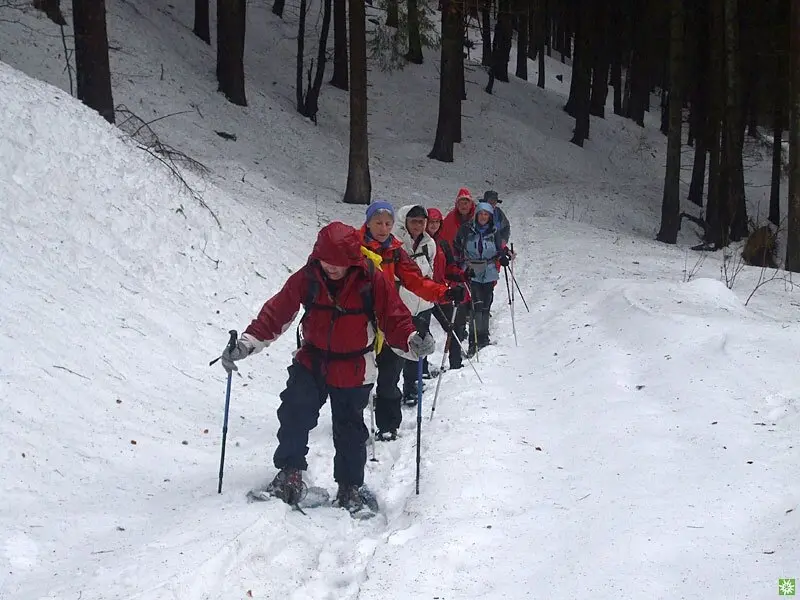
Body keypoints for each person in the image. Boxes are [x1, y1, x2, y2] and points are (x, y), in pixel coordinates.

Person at [218, 222, 436, 514]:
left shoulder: (371, 279)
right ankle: (290, 473)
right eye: (326, 261)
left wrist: (412, 340)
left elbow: (394, 317)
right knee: (294, 410)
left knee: (349, 428)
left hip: (354, 365)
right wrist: (246, 344)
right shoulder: (308, 277)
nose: (331, 268)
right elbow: (277, 312)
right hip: (313, 359)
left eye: (339, 263)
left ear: (351, 260)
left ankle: (350, 488)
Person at [359, 201, 464, 440]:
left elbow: (418, 280)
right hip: (363, 320)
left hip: (396, 319)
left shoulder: (401, 250)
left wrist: (444, 292)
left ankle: (388, 426)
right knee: (359, 380)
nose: (383, 228)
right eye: (378, 223)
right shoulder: (356, 246)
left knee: (389, 376)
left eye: (387, 223)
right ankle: (352, 428)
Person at [392, 204, 438, 404]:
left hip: (422, 305)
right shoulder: (394, 242)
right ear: (405, 221)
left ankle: (411, 387)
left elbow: (430, 272)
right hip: (400, 305)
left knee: (417, 348)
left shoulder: (429, 243)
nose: (418, 225)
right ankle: (390, 391)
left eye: (422, 221)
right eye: (414, 221)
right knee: (395, 351)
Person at [454, 202, 509, 355]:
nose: (483, 217)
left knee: (486, 304)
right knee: (475, 305)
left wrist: (503, 256)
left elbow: (499, 248)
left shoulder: (494, 231)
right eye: (481, 214)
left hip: (489, 270)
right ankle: (474, 340)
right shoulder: (466, 230)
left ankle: (483, 337)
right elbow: (457, 247)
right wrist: (458, 265)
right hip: (472, 270)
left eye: (486, 214)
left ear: (490, 216)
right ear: (476, 214)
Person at [427, 206, 470, 371]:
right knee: (420, 334)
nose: (434, 225)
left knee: (456, 325)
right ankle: (420, 371)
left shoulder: (443, 244)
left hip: (440, 292)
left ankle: (455, 363)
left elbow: (450, 267)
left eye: (437, 222)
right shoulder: (417, 244)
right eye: (431, 222)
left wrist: (461, 275)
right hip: (420, 294)